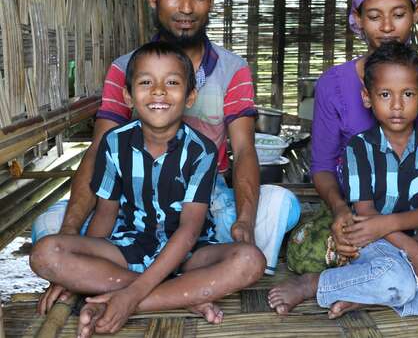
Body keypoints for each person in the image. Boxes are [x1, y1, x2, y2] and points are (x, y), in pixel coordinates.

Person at [33, 0, 300, 315]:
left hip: (206, 199)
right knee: (49, 231)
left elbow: (245, 152)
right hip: (133, 205)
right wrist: (72, 232)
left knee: (278, 208)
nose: (186, 8)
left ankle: (124, 289)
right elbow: (98, 155)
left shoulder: (231, 70)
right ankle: (182, 293)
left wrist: (244, 221)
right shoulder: (124, 69)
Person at [30, 42, 266, 337]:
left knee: (250, 261)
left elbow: (189, 231)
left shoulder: (200, 151)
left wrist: (131, 294)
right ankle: (182, 295)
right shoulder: (114, 143)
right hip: (129, 246)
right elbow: (105, 215)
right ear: (128, 95)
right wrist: (79, 269)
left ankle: (132, 300)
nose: (158, 91)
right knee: (45, 253)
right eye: (145, 82)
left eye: (171, 82)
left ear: (190, 95)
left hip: (189, 254)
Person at [268, 43, 418, 318]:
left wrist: (417, 247)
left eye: (408, 94)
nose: (397, 105)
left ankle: (369, 295)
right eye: (386, 94)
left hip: (417, 240)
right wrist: (411, 249)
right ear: (368, 97)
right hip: (375, 243)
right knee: (395, 277)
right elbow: (366, 215)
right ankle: (314, 283)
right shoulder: (359, 148)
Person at [282, 0, 418, 275]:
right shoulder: (333, 84)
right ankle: (394, 275)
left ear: (416, 13)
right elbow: (322, 167)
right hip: (357, 214)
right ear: (359, 19)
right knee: (304, 254)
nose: (387, 27)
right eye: (375, 16)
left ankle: (372, 278)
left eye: (399, 14)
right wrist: (339, 211)